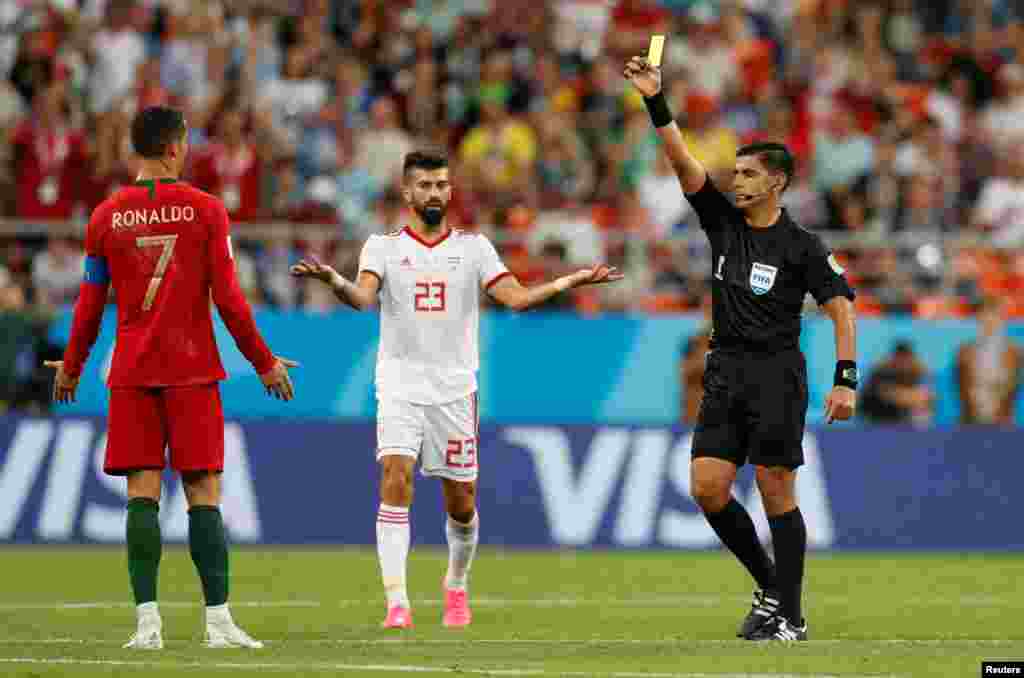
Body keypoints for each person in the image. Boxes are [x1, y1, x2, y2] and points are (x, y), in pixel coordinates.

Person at [290, 149, 622, 629]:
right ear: (407, 193)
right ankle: (397, 603)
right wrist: (333, 279)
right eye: (424, 185)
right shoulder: (381, 247)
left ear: (450, 191)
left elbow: (517, 299)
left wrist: (570, 280)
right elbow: (363, 298)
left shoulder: (475, 248)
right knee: (395, 478)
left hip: (454, 390)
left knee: (461, 502)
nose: (434, 193)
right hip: (399, 385)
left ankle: (456, 584)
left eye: (441, 185)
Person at [44, 107, 297, 650]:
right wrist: (264, 362)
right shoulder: (207, 212)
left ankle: (147, 624)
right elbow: (228, 298)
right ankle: (219, 622)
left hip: (132, 372)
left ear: (136, 150)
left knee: (142, 493)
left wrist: (72, 367)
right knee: (203, 491)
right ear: (175, 147)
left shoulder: (106, 217)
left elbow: (90, 305)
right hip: (191, 370)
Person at [624, 56, 858, 642]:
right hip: (724, 369)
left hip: (778, 374)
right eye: (736, 172)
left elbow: (841, 308)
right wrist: (657, 101)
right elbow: (682, 160)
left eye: (749, 173)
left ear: (776, 181)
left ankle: (793, 617)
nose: (737, 180)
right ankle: (773, 587)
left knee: (777, 489)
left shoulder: (802, 245)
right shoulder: (722, 224)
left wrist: (846, 378)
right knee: (707, 487)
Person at [956, 297, 1022, 425]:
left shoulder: (1014, 352)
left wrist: (1000, 414)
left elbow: (1013, 388)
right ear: (978, 318)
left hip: (1001, 421)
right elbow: (962, 389)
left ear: (1002, 318)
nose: (989, 319)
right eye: (984, 315)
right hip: (972, 421)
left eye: (994, 314)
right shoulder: (965, 351)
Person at [861, 340, 933, 425]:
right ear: (894, 358)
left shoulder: (918, 372)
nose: (903, 363)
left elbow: (928, 397)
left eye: (906, 359)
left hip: (905, 422)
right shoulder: (880, 372)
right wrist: (912, 397)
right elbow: (888, 394)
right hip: (877, 419)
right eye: (900, 358)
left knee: (923, 413)